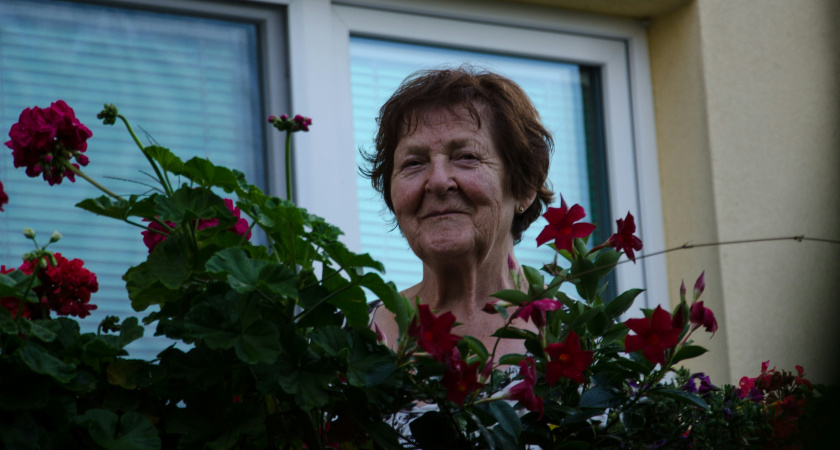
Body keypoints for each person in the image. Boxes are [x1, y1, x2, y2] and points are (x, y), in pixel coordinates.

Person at [365, 66, 554, 355]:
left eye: (466, 157)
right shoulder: (349, 339)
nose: (438, 182)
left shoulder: (587, 341)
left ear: (524, 187)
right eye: (414, 163)